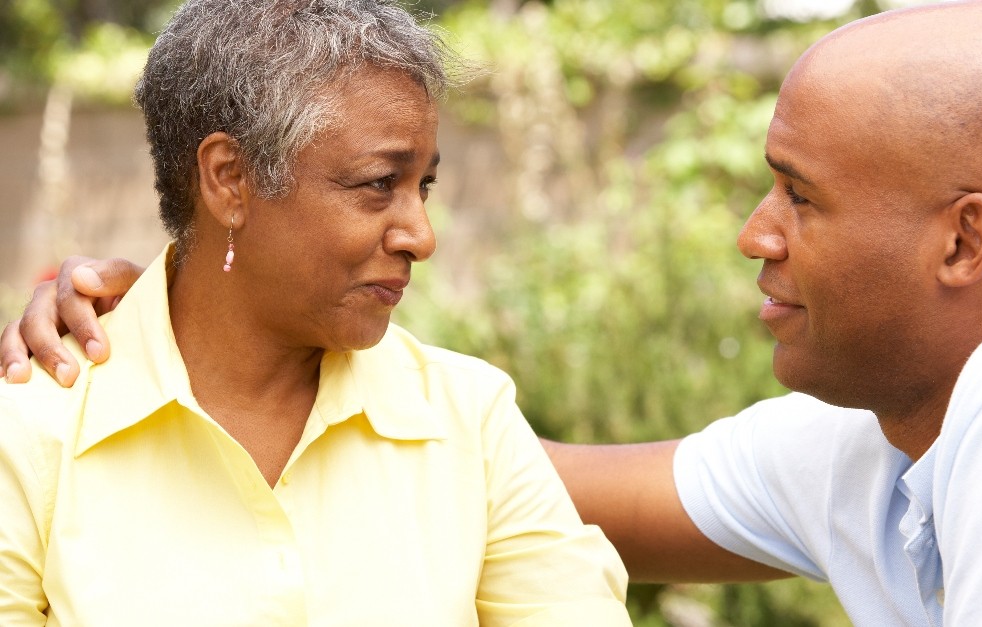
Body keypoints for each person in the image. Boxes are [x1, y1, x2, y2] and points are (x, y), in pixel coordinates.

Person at [5, 0, 982, 624]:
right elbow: (527, 478)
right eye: (381, 185)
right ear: (228, 180)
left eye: (799, 195)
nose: (755, 231)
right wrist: (188, 315)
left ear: (963, 239)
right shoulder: (887, 432)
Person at [0, 1, 632, 625]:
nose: (422, 235)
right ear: (229, 179)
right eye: (379, 184)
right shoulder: (32, 432)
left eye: (424, 187)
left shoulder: (470, 421)